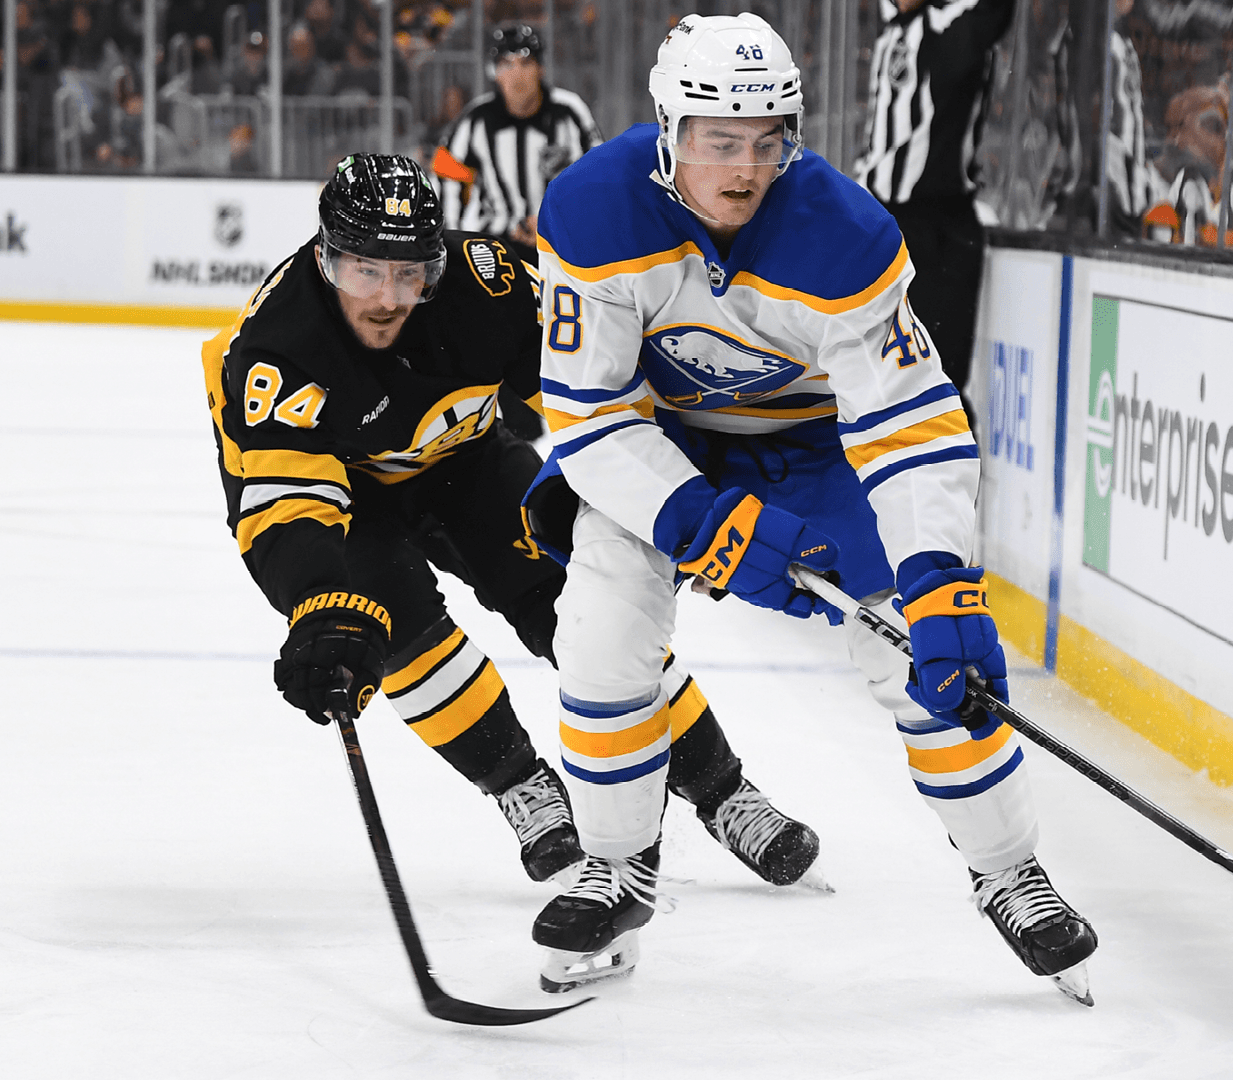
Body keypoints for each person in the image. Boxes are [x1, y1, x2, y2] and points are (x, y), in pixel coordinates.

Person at [523, 13, 1097, 1000]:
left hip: (815, 449)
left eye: (767, 141)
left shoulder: (848, 234)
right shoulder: (590, 211)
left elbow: (910, 424)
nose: (745, 169)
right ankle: (617, 866)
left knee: (921, 653)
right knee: (600, 627)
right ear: (668, 129)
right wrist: (701, 520)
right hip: (659, 445)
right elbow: (589, 413)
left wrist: (939, 575)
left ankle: (1010, 871)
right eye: (719, 141)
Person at [200, 153, 820, 893]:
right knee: (394, 626)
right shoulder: (277, 348)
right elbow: (284, 507)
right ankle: (521, 784)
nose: (388, 299)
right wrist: (317, 604)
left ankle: (722, 790)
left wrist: (688, 498)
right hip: (346, 498)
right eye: (365, 271)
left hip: (467, 460)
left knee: (593, 608)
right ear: (326, 258)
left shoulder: (488, 284)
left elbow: (605, 388)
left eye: (409, 274)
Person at [854, 0, 1015, 431]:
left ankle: (948, 470)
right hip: (886, 223)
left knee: (937, 381)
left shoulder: (947, 24)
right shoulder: (897, 29)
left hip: (937, 228)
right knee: (878, 375)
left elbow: (992, 17)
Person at [438, 23, 600, 247]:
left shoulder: (569, 112)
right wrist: (452, 245)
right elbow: (446, 177)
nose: (517, 75)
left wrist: (560, 223)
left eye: (526, 63)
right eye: (506, 64)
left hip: (561, 239)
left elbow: (598, 176)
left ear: (541, 68)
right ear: (494, 72)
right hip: (494, 244)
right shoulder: (476, 119)